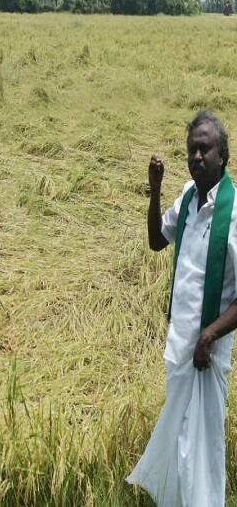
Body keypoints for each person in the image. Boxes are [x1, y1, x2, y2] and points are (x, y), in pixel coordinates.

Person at [127, 111, 237, 506]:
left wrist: (209, 336)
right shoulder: (188, 199)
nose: (196, 156)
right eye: (192, 149)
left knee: (202, 441)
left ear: (223, 156)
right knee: (180, 437)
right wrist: (155, 189)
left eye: (205, 148)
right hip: (181, 347)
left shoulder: (234, 211)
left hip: (208, 351)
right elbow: (158, 240)